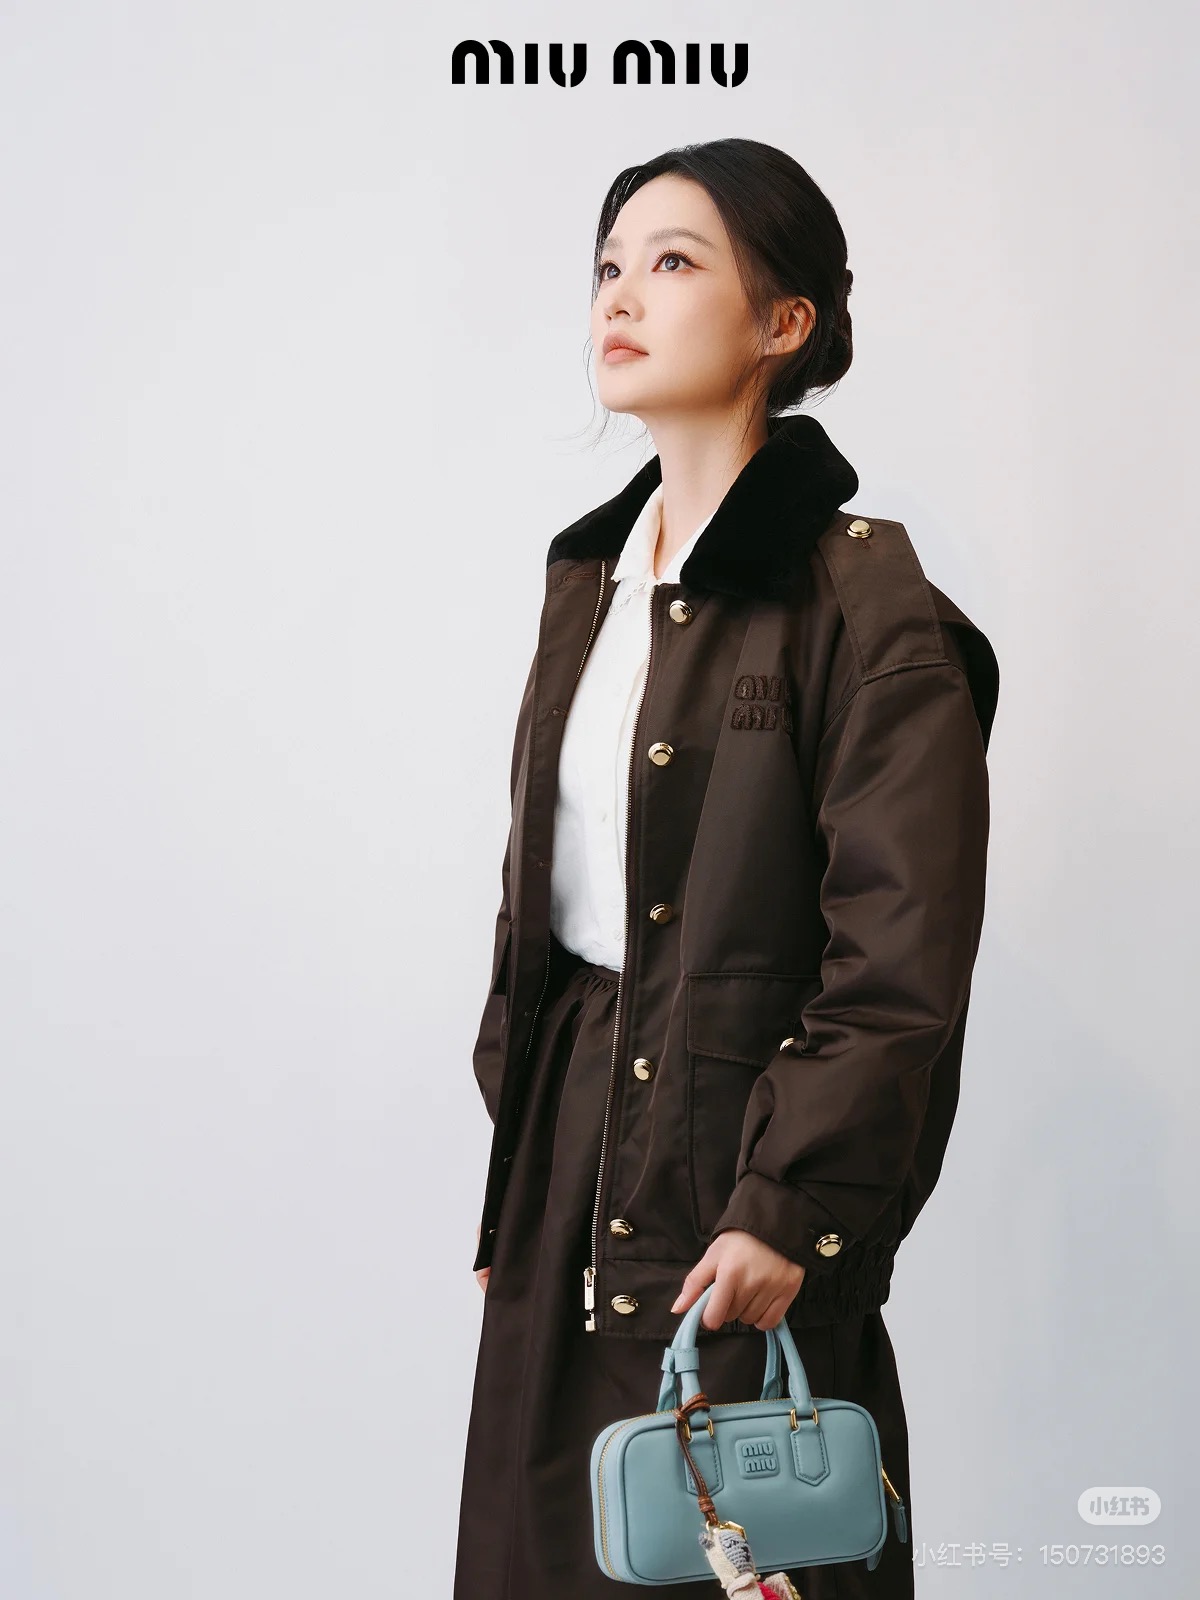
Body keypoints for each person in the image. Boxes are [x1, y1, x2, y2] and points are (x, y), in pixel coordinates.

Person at [453, 137, 999, 1600]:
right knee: (543, 1557)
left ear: (783, 321)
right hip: (568, 1170)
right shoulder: (591, 583)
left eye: (674, 261)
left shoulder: (871, 610)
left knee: (733, 1557)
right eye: (608, 266)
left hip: (738, 1173)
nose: (620, 296)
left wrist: (788, 1200)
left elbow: (900, 956)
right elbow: (542, 913)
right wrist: (522, 1182)